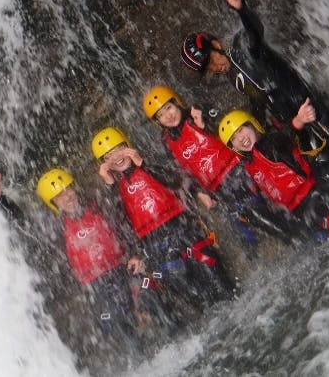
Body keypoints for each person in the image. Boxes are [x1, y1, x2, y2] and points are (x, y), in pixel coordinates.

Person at [180, 0, 329, 161]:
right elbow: (259, 99)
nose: (214, 68)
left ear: (216, 45)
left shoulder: (241, 46)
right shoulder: (232, 76)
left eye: (211, 61)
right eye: (208, 69)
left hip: (312, 109)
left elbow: (255, 32)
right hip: (297, 124)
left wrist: (241, 9)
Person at [0, 169, 150, 344]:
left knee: (140, 301)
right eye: (60, 196)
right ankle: (141, 354)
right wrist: (0, 199)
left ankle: (151, 327)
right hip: (95, 287)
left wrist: (135, 253)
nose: (67, 197)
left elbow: (124, 224)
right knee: (109, 323)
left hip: (123, 271)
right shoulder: (56, 226)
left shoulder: (99, 204)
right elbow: (23, 223)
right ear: (53, 203)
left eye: (68, 190)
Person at [143, 85, 312, 248]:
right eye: (161, 115)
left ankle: (300, 235)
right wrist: (201, 193)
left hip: (240, 169)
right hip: (219, 189)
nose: (168, 116)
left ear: (177, 102)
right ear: (158, 121)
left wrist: (205, 125)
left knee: (265, 207)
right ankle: (296, 239)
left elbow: (233, 130)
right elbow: (182, 172)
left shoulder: (198, 112)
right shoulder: (166, 141)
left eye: (169, 108)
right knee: (250, 224)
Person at [91, 126, 234, 318]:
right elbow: (118, 222)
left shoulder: (150, 161)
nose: (116, 157)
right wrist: (109, 185)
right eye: (108, 156)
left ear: (128, 145)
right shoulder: (112, 192)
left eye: (119, 149)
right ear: (104, 165)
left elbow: (176, 180)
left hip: (183, 228)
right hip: (156, 246)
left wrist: (143, 164)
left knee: (219, 283)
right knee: (199, 299)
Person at [218, 99, 329, 237]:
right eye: (234, 138)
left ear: (252, 125)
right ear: (234, 147)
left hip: (317, 194)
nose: (240, 138)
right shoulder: (249, 167)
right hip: (302, 215)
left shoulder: (271, 142)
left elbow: (286, 135)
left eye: (241, 130)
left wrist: (299, 120)